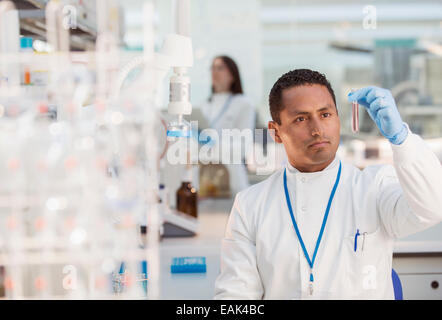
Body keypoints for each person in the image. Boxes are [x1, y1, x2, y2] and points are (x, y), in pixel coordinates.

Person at [214, 69, 442, 299]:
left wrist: (401, 138)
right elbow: (235, 295)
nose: (317, 130)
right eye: (301, 119)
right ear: (276, 132)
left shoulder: (374, 186)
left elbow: (432, 208)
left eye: (325, 115)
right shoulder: (250, 205)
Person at [199, 55, 256, 195]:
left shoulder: (243, 104)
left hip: (232, 179)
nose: (214, 72)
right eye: (212, 68)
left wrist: (211, 146)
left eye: (220, 68)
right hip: (205, 178)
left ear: (232, 75)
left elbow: (242, 146)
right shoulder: (204, 106)